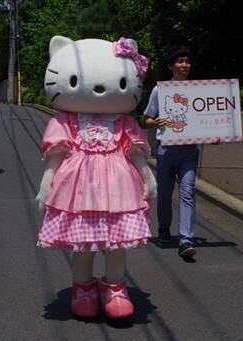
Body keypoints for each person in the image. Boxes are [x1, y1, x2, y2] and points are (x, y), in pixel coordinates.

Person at [36, 36, 156, 320]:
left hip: (119, 192)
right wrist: (46, 184)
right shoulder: (66, 121)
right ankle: (84, 288)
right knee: (83, 245)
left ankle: (115, 288)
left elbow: (136, 153)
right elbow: (56, 155)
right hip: (77, 192)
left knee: (116, 244)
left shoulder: (125, 123)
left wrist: (148, 177)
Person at [143, 46, 219, 259]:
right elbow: (146, 118)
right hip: (166, 150)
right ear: (171, 66)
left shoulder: (199, 91)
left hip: (189, 151)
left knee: (187, 191)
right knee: (165, 193)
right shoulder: (160, 90)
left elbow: (205, 121)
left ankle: (186, 239)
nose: (185, 65)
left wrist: (214, 136)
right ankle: (164, 228)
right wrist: (155, 122)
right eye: (180, 61)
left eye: (187, 61)